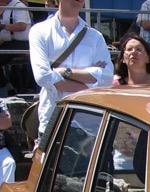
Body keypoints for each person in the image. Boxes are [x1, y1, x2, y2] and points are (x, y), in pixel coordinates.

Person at [29, 0, 113, 143]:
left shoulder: (96, 36)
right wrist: (89, 83)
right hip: (53, 120)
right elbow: (42, 76)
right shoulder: (39, 31)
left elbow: (107, 78)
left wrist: (64, 72)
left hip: (90, 122)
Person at [0, 0, 33, 95]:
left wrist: (1, 26)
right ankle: (5, 88)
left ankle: (6, 89)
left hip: (21, 43)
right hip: (6, 42)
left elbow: (22, 26)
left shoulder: (18, 6)